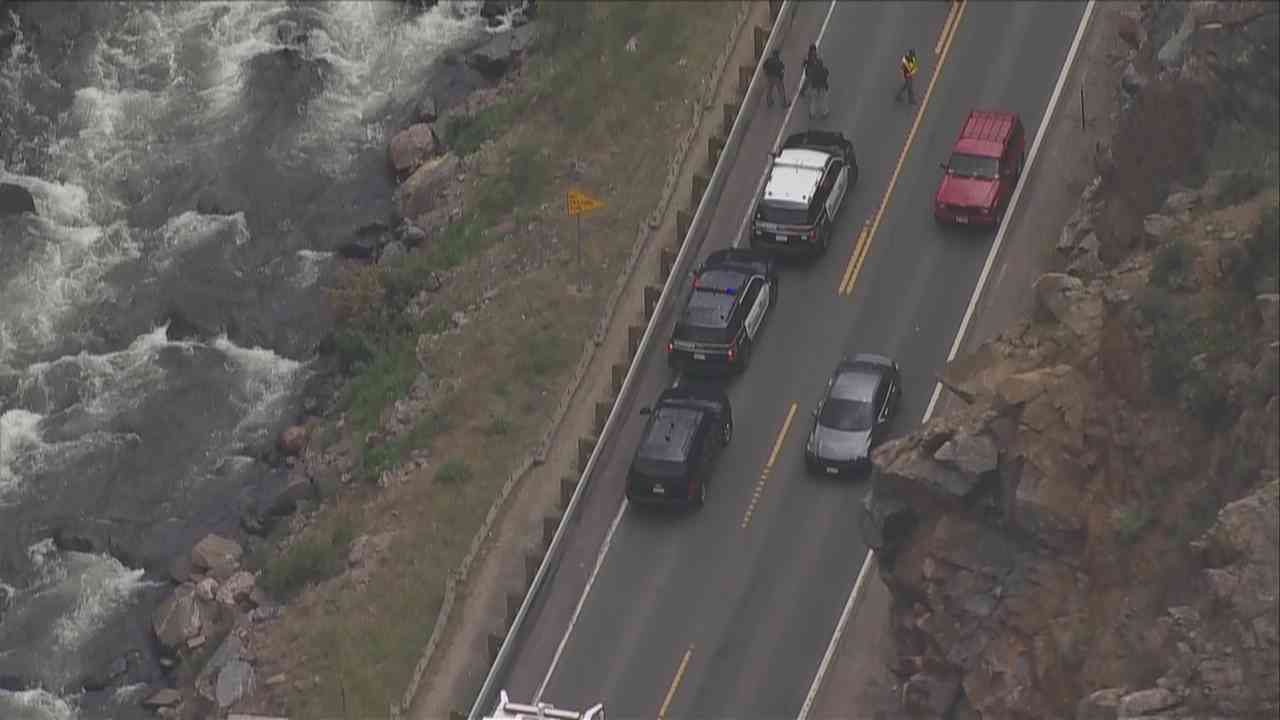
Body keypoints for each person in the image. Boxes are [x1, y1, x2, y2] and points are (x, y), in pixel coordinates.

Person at [802, 44, 830, 120]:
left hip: (814, 86)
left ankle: (812, 113)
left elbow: (811, 77)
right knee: (822, 100)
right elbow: (826, 75)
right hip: (822, 86)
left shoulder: (813, 70)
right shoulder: (823, 70)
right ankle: (824, 113)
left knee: (814, 100)